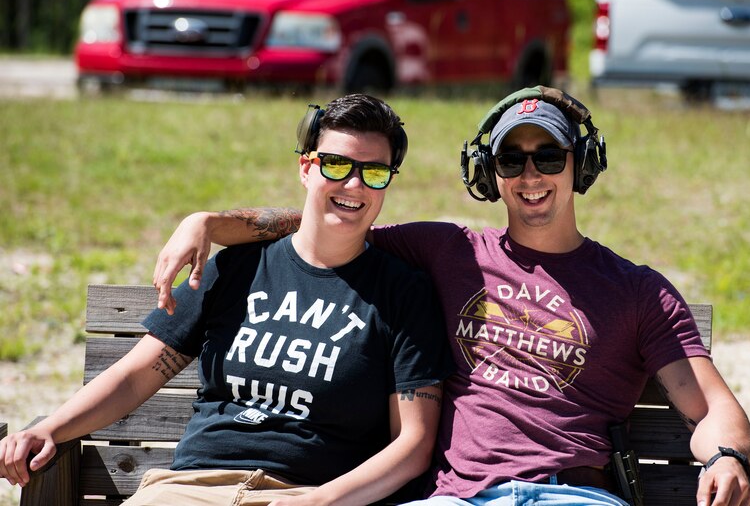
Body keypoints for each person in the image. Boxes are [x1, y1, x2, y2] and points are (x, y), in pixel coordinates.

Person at [148, 86, 750, 506]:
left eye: (548, 155)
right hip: (456, 496)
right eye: (510, 159)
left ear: (582, 166)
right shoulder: (448, 251)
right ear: (487, 173)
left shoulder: (637, 290)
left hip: (572, 493)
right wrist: (210, 222)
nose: (530, 175)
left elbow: (710, 409)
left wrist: (727, 456)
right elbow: (335, 217)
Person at [0, 94, 453, 506]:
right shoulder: (237, 268)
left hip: (310, 495)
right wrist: (48, 428)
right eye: (336, 165)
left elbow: (412, 444)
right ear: (305, 168)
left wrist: (321, 502)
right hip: (191, 490)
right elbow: (135, 376)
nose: (354, 185)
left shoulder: (401, 292)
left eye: (374, 172)